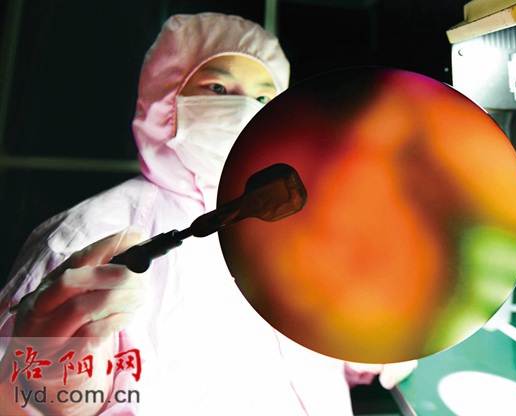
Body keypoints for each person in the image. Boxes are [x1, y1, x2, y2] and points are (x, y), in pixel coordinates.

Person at [0, 12, 414, 415]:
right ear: (165, 97)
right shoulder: (88, 234)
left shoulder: (296, 229)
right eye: (218, 88)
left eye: (263, 98)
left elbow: (323, 355)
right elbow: (17, 384)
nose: (244, 108)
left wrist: (375, 335)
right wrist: (44, 395)